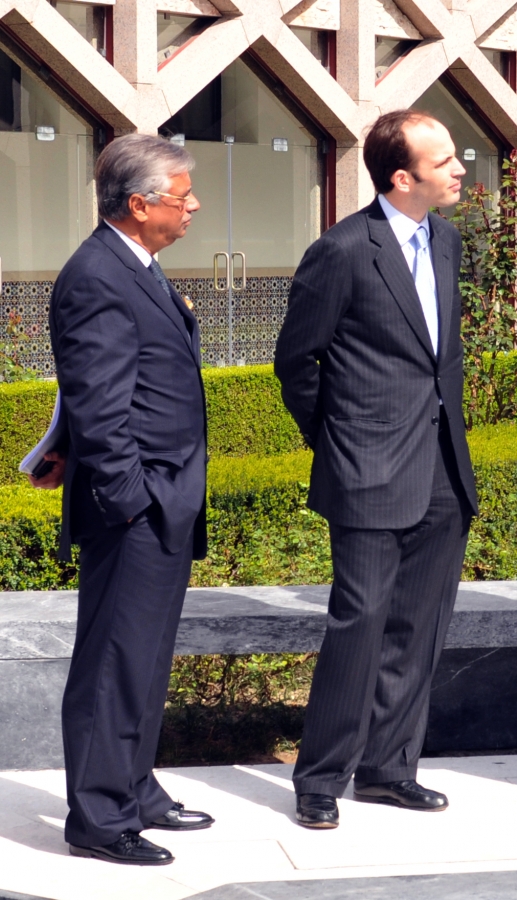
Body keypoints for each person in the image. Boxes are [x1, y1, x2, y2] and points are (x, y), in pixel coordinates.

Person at [275, 110, 478, 829]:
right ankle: (320, 779)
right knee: (358, 625)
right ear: (403, 176)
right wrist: (338, 443)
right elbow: (296, 362)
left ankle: (390, 771)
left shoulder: (448, 241)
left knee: (419, 628)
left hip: (442, 470)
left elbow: (436, 359)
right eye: (446, 159)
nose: (460, 168)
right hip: (366, 473)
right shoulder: (341, 250)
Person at [37, 134, 214, 865]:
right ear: (140, 205)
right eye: (181, 196)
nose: (194, 205)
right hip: (136, 509)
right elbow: (100, 407)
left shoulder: (133, 265)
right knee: (114, 660)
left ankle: (135, 789)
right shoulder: (98, 276)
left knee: (143, 659)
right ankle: (102, 819)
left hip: (164, 499)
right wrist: (132, 501)